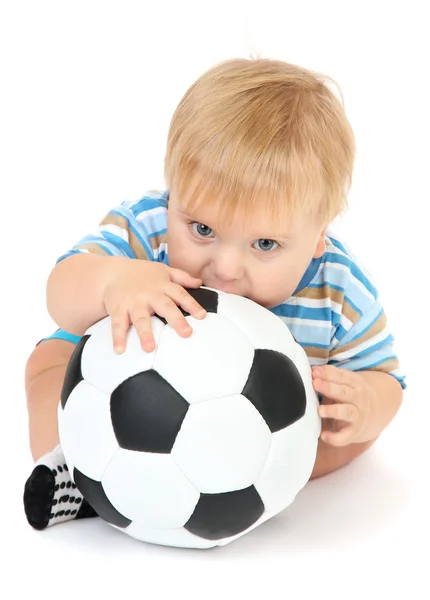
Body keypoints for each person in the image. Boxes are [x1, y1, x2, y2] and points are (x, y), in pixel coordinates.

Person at [23, 57, 406, 531]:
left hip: (246, 435)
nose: (224, 267)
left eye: (265, 244)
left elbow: (385, 376)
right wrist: (112, 281)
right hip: (123, 392)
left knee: (350, 432)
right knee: (48, 363)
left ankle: (271, 481)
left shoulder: (338, 290)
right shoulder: (150, 229)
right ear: (172, 198)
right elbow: (60, 288)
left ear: (318, 238)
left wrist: (368, 403)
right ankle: (74, 471)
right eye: (202, 228)